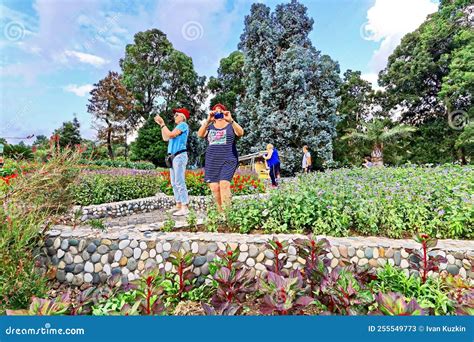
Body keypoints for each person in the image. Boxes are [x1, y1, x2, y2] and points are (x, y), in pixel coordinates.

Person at [197, 103, 244, 211]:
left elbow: (241, 133)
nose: (218, 112)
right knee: (214, 188)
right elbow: (200, 134)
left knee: (224, 185)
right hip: (212, 160)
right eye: (215, 110)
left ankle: (228, 215)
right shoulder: (209, 126)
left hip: (228, 158)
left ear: (224, 112)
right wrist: (208, 121)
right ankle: (220, 215)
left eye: (220, 110)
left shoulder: (230, 124)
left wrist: (230, 120)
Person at [154, 108, 190, 216]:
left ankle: (185, 206)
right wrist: (161, 125)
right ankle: (178, 205)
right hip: (172, 157)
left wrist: (163, 123)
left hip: (179, 155)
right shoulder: (176, 128)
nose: (174, 116)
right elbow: (166, 137)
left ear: (182, 116)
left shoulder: (183, 125)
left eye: (177, 114)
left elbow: (170, 135)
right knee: (174, 182)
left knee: (179, 181)